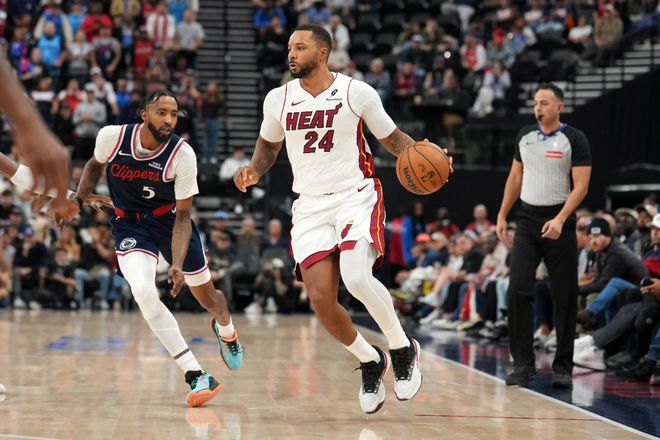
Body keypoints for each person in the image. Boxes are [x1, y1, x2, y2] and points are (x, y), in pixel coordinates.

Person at [234, 24, 453, 414]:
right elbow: (268, 146)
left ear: (323, 53)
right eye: (290, 47)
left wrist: (431, 153)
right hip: (310, 205)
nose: (291, 54)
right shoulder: (278, 99)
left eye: (300, 47)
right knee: (321, 300)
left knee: (356, 277)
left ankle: (402, 348)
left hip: (355, 195)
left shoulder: (356, 92)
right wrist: (253, 169)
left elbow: (395, 141)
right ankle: (371, 359)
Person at [60, 90, 244, 408]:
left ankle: (226, 330)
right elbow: (93, 165)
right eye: (162, 112)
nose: (169, 120)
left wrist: (176, 264)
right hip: (129, 225)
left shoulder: (183, 155)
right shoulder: (112, 137)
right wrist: (78, 198)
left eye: (174, 114)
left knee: (209, 299)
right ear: (144, 114)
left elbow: (183, 216)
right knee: (143, 290)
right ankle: (196, 375)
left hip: (169, 221)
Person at [496, 83, 591, 389]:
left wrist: (561, 219)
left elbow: (581, 187)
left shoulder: (574, 138)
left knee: (564, 294)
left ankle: (563, 367)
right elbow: (515, 177)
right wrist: (502, 215)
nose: (538, 108)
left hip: (560, 219)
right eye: (536, 102)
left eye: (545, 103)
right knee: (517, 289)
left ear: (559, 107)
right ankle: (523, 364)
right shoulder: (524, 135)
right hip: (526, 220)